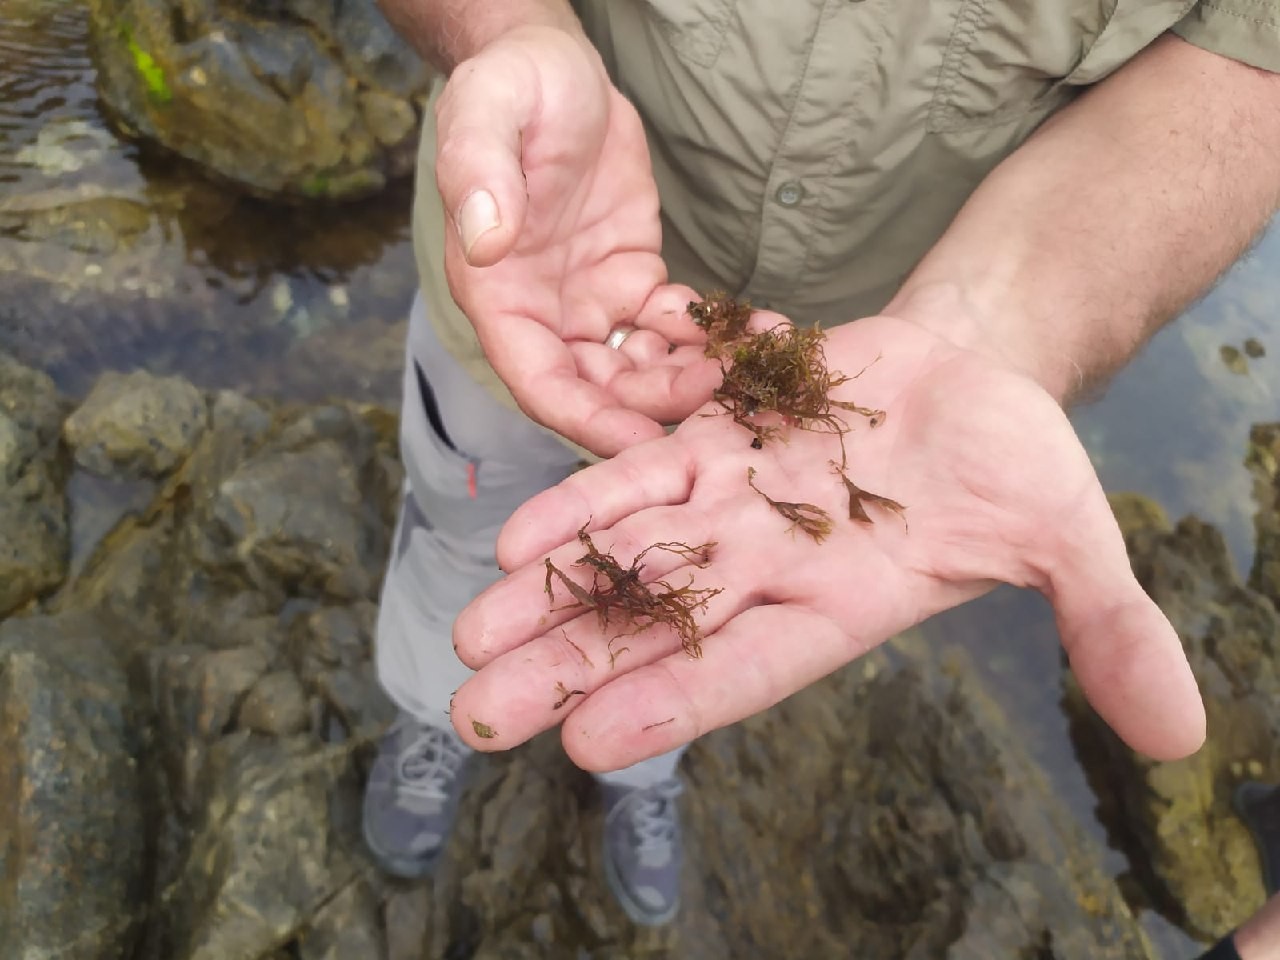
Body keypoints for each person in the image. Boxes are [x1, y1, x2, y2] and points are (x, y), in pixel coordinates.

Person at [361, 0, 1280, 928]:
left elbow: (1247, 57)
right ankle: (426, 715)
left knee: (696, 633)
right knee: (461, 537)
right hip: (524, 296)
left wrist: (991, 326)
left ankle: (642, 772)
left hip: (860, 380)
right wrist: (510, 32)